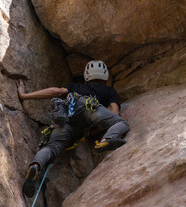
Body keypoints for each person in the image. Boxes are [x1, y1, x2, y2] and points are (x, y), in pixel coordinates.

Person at [17, 60, 130, 198]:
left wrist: (24, 95)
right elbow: (114, 113)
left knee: (51, 147)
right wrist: (97, 131)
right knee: (121, 123)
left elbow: (56, 91)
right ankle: (107, 139)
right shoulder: (109, 91)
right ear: (105, 77)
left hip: (67, 116)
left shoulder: (75, 86)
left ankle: (35, 165)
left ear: (86, 77)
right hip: (89, 110)